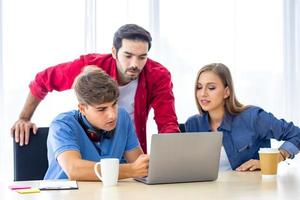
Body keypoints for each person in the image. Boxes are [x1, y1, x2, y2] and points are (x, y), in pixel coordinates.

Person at [11, 24, 180, 152]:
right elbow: (43, 80)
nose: (135, 64)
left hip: (129, 151)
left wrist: (170, 158)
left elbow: (167, 122)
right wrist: (24, 118)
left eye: (142, 57)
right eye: (128, 56)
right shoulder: (91, 66)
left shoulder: (158, 75)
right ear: (114, 52)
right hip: (91, 149)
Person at [185, 63, 300, 171]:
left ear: (227, 92)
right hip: (206, 191)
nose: (203, 93)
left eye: (211, 88)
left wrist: (275, 158)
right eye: (199, 87)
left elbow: (296, 134)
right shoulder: (193, 124)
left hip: (250, 190)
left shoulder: (253, 117)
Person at [44, 66, 149, 180]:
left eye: (114, 104)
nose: (112, 115)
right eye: (101, 109)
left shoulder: (122, 116)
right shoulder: (62, 124)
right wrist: (131, 170)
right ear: (83, 109)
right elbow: (74, 170)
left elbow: (140, 167)